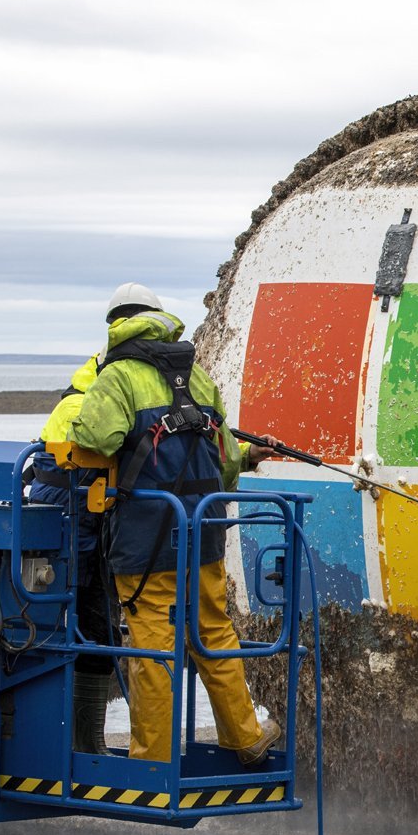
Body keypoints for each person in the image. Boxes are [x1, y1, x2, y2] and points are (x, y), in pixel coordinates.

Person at [68, 283, 280, 767]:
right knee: (213, 631)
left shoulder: (118, 376)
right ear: (161, 320)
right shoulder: (198, 378)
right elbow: (224, 462)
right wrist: (248, 456)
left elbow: (98, 440)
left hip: (146, 539)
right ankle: (244, 737)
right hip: (203, 532)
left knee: (154, 649)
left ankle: (152, 760)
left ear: (115, 325)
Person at [26, 355, 119, 753]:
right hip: (77, 529)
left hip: (51, 528)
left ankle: (61, 738)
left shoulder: (71, 403)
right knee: (96, 630)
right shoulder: (97, 408)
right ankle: (86, 744)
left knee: (48, 626)